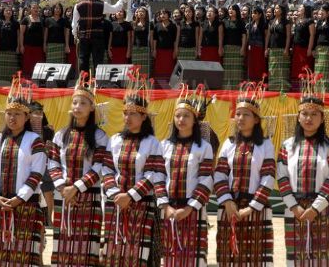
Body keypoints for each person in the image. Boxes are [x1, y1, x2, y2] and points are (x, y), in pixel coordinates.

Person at [277, 72, 329, 266]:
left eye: (314, 114)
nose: (309, 118)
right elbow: (282, 179)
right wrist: (295, 207)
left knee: (326, 259)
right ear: (298, 117)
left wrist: (315, 208)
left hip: (324, 210)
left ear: (322, 118)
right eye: (305, 114)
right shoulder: (287, 146)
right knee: (296, 259)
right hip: (294, 211)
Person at [102, 69, 167, 266]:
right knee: (116, 254)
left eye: (133, 114)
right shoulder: (114, 140)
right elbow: (107, 170)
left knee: (141, 255)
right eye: (125, 113)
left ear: (144, 116)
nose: (127, 118)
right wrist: (116, 195)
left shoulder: (152, 142)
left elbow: (153, 174)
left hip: (143, 205)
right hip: (117, 205)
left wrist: (129, 196)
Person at [0, 74, 47, 266]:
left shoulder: (34, 140)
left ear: (27, 117)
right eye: (9, 113)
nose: (12, 118)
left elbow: (37, 172)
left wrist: (20, 197)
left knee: (24, 249)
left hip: (25, 203)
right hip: (0, 201)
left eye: (17, 114)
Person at [47, 73, 108, 266]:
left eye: (82, 103)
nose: (77, 107)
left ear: (91, 108)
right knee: (63, 243)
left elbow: (99, 166)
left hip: (88, 195)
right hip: (63, 194)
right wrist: (64, 187)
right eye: (74, 103)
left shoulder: (99, 136)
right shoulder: (60, 135)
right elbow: (53, 162)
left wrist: (76, 187)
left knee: (86, 245)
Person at [214, 81, 276, 265]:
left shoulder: (265, 144)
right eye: (238, 114)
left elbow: (268, 177)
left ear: (256, 119)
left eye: (246, 114)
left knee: (255, 258)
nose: (240, 118)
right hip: (229, 206)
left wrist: (252, 207)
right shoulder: (229, 143)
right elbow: (220, 174)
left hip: (255, 208)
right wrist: (226, 201)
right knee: (228, 255)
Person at [160, 85, 214, 266]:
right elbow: (158, 177)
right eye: (178, 115)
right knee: (170, 257)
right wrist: (165, 206)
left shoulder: (204, 147)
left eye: (186, 116)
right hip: (169, 209)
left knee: (193, 257)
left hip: (193, 210)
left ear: (194, 120)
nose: (181, 119)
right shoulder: (165, 145)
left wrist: (189, 208)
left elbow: (206, 179)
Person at [71, 0, 128, 73]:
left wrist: (75, 35)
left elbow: (74, 24)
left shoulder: (78, 5)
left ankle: (83, 83)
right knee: (98, 61)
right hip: (97, 37)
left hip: (83, 37)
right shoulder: (101, 4)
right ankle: (98, 84)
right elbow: (115, 9)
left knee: (83, 60)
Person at [28, 101, 55, 226]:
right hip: (30, 165)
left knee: (48, 192)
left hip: (45, 163)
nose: (38, 116)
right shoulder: (25, 130)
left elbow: (52, 147)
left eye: (40, 113)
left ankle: (48, 219)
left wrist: (49, 147)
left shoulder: (48, 130)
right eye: (34, 113)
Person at [265, 4, 291, 92]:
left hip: (282, 49)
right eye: (275, 8)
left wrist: (287, 48)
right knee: (273, 70)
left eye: (277, 8)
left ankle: (283, 90)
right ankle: (273, 89)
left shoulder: (286, 22)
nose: (275, 10)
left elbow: (288, 36)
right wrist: (266, 48)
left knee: (282, 71)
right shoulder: (271, 21)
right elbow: (268, 35)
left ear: (282, 11)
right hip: (272, 49)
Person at [291, 4, 315, 91]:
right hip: (296, 49)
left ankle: (305, 91)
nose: (299, 8)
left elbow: (312, 35)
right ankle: (296, 90)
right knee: (296, 70)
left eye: (300, 7)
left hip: (304, 48)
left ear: (305, 10)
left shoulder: (310, 21)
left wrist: (309, 48)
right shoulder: (297, 21)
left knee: (304, 70)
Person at [222, 4, 247, 89]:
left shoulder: (241, 22)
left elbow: (244, 36)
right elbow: (222, 35)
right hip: (227, 49)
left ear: (237, 11)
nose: (230, 11)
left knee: (236, 71)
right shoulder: (224, 21)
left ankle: (237, 89)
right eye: (229, 9)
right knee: (227, 71)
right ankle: (226, 90)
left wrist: (243, 48)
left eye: (232, 9)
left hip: (237, 49)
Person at [151, 9, 180, 80]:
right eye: (161, 14)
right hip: (159, 51)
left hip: (170, 51)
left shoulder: (173, 26)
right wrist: (154, 50)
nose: (162, 15)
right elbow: (155, 39)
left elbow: (175, 40)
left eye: (164, 13)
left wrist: (175, 50)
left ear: (168, 15)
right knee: (159, 69)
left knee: (170, 68)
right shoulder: (157, 26)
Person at [314, 3, 329, 93]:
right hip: (319, 49)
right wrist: (314, 48)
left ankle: (326, 91)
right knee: (318, 71)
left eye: (323, 11)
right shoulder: (319, 22)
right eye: (320, 10)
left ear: (328, 12)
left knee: (325, 72)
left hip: (327, 49)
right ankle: (317, 91)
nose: (321, 12)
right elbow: (316, 36)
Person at [19, 3, 45, 79]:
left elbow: (43, 33)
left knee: (38, 65)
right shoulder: (25, 19)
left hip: (38, 47)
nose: (36, 9)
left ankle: (38, 83)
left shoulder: (42, 19)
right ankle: (27, 83)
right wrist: (21, 46)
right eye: (34, 8)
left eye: (37, 8)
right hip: (28, 47)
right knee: (28, 65)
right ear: (30, 9)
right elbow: (21, 34)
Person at [0, 5, 20, 82]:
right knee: (1, 72)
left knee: (12, 72)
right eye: (6, 10)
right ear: (3, 12)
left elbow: (18, 36)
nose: (8, 12)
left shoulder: (16, 23)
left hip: (13, 50)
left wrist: (18, 46)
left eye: (10, 10)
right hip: (2, 50)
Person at [246, 7, 268, 82]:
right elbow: (248, 37)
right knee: (252, 66)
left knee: (259, 65)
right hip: (252, 48)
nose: (253, 15)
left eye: (255, 13)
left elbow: (266, 37)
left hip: (260, 48)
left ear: (260, 15)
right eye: (252, 13)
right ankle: (252, 83)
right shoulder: (250, 24)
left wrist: (265, 48)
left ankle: (260, 83)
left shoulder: (264, 25)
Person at [131, 7, 151, 75]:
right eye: (139, 11)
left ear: (146, 14)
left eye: (143, 12)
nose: (141, 13)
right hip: (136, 48)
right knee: (136, 68)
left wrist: (153, 49)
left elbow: (151, 37)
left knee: (145, 68)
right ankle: (135, 83)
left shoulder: (150, 24)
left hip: (146, 48)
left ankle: (145, 84)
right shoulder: (134, 24)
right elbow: (132, 37)